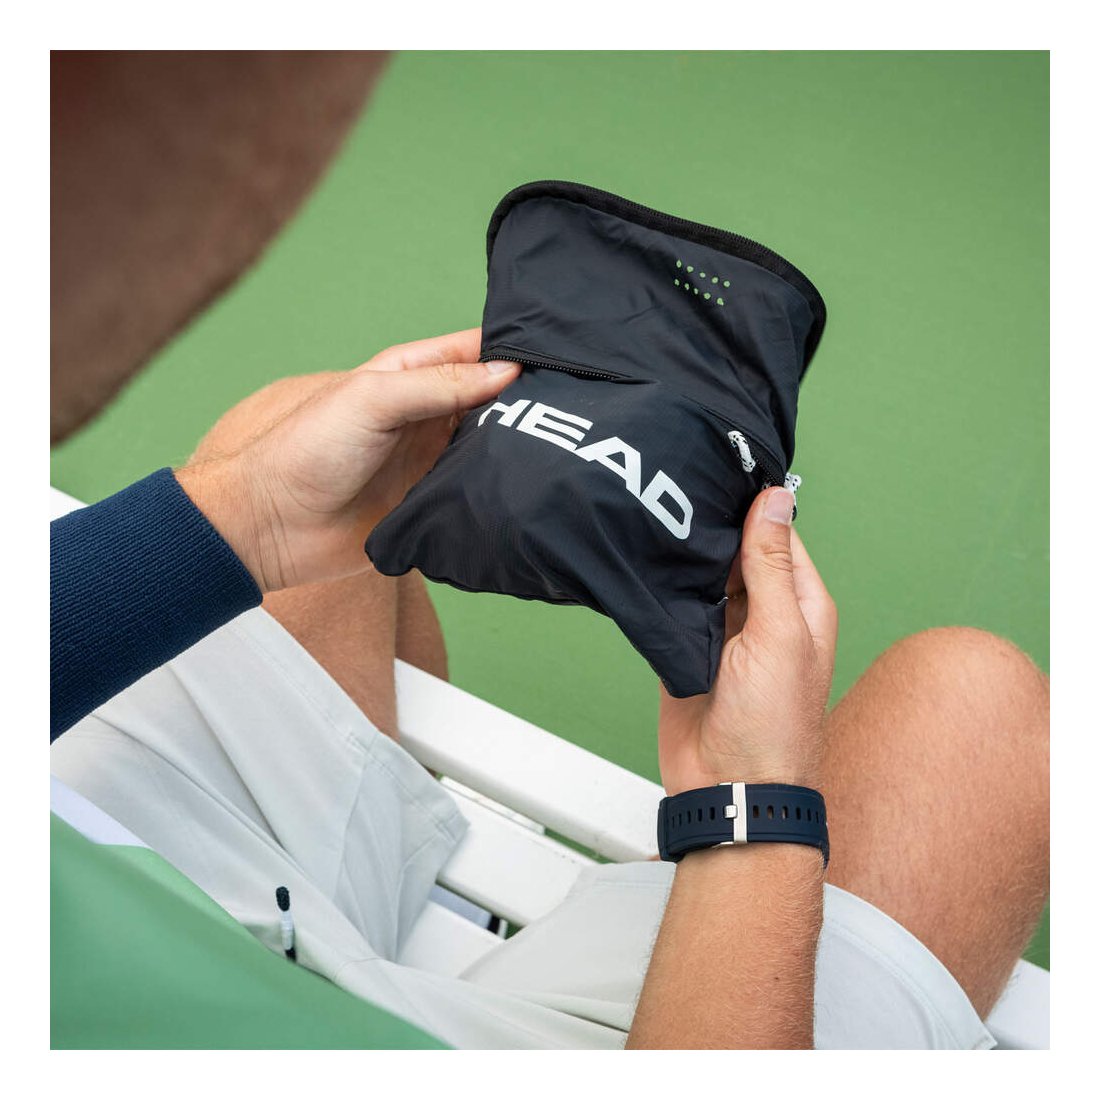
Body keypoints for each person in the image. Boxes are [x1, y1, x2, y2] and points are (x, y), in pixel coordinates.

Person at [50, 52, 1049, 1049]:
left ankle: (374, 858)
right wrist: (746, 807)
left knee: (308, 435)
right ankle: (389, 873)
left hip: (132, 876)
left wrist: (253, 519)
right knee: (973, 705)